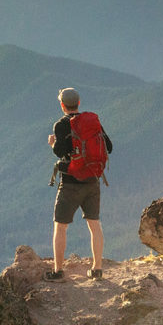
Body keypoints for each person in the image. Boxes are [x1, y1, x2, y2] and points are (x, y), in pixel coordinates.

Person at [47, 87, 111, 282]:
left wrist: (52, 144)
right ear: (79, 103)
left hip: (70, 182)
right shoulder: (92, 122)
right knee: (94, 224)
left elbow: (60, 152)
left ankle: (58, 271)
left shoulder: (61, 125)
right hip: (92, 180)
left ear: (62, 105)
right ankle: (97, 269)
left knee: (60, 226)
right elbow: (108, 147)